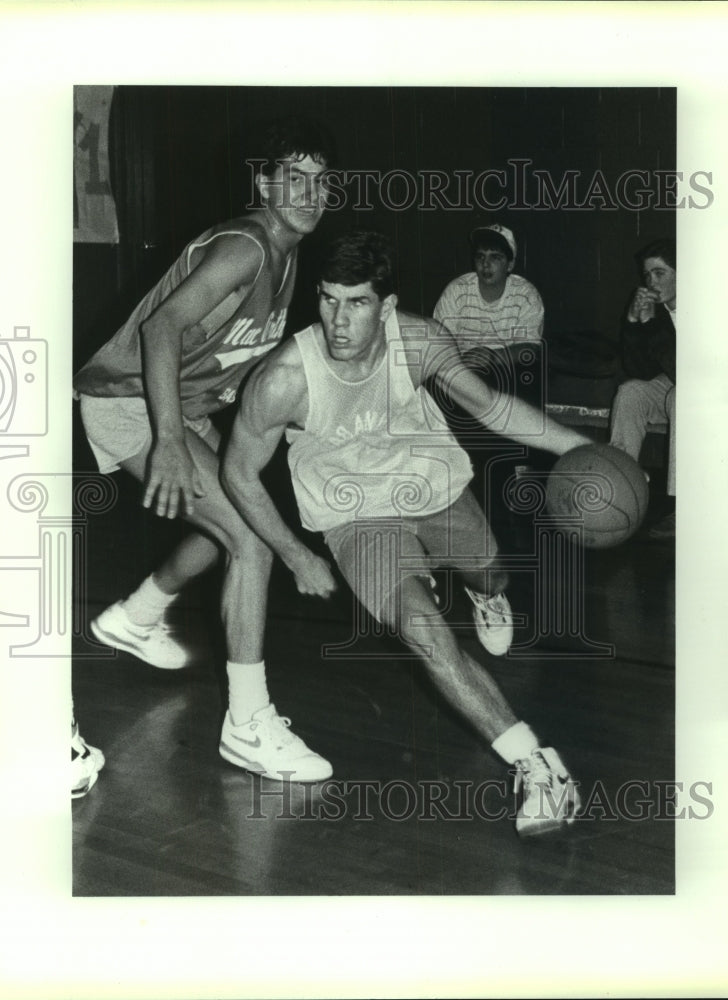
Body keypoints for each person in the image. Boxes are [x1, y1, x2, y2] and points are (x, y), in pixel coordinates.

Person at [222, 231, 593, 837]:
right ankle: (536, 764)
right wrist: (293, 554)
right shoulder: (284, 378)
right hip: (357, 515)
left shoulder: (417, 339)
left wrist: (582, 448)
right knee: (422, 628)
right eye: (328, 299)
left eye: (358, 302)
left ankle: (484, 590)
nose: (339, 321)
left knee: (492, 572)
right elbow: (236, 470)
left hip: (430, 479)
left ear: (387, 306)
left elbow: (493, 407)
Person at [73, 115, 336, 784]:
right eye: (294, 179)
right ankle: (247, 725)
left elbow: (227, 350)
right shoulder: (246, 247)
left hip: (180, 404)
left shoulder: (287, 247)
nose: (309, 193)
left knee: (236, 519)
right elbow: (163, 327)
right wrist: (168, 442)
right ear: (264, 183)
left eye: (320, 181)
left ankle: (137, 615)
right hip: (130, 401)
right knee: (251, 544)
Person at [433, 223, 544, 407]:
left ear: (510, 264)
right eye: (480, 256)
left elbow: (530, 349)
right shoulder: (456, 290)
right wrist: (462, 366)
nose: (486, 264)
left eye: (495, 257)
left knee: (530, 373)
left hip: (507, 371)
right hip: (463, 371)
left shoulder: (526, 294)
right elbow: (439, 343)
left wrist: (493, 356)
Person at [609, 239, 676, 540]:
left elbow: (687, 371)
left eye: (660, 273)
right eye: (647, 275)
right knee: (631, 392)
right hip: (674, 386)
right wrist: (635, 324)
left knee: (682, 396)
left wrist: (650, 328)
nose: (651, 282)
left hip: (715, 391)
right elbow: (640, 371)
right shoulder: (658, 309)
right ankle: (619, 487)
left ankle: (683, 505)